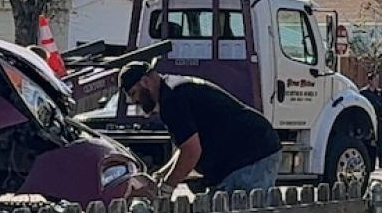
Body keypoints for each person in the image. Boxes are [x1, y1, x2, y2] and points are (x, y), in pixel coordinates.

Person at [118, 61, 283, 194]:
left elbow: (191, 152)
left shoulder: (172, 100)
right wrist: (162, 174)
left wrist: (167, 188)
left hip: (251, 155)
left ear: (145, 82)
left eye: (134, 94)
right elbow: (186, 147)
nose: (135, 102)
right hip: (251, 151)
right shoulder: (172, 90)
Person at [359, 74, 382, 169]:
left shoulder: (379, 93)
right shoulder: (363, 93)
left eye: (377, 80)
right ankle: (369, 162)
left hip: (379, 120)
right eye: (375, 80)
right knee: (369, 141)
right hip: (368, 120)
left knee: (381, 140)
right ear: (370, 81)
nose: (377, 82)